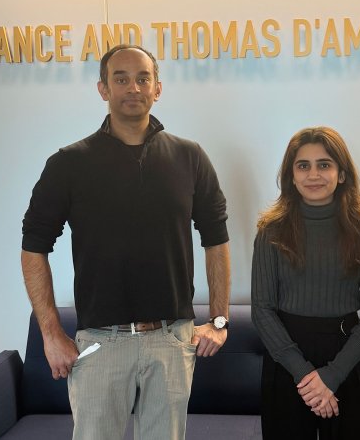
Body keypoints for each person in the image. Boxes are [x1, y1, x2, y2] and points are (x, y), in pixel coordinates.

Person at [21, 44, 231, 440]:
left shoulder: (189, 158)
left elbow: (216, 238)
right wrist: (50, 333)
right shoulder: (69, 164)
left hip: (171, 340)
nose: (132, 87)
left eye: (142, 78)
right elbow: (34, 246)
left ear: (158, 88)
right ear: (103, 88)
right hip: (101, 343)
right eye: (121, 79)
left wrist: (219, 320)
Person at [251, 127, 360, 440]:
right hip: (286, 361)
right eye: (303, 165)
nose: (314, 174)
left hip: (348, 360)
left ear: (341, 174)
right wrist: (306, 376)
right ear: (291, 176)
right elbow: (262, 309)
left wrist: (332, 376)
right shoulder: (270, 231)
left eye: (324, 164)